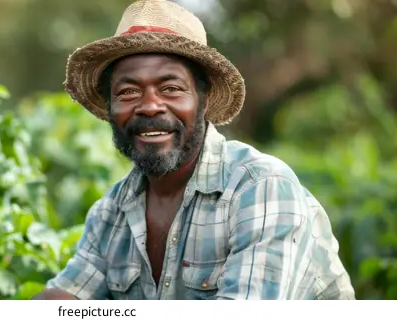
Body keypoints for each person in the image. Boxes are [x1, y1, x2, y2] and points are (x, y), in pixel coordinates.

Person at [33, 0, 355, 300]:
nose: (149, 106)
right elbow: (66, 298)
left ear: (203, 99)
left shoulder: (259, 188)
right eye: (128, 91)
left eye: (171, 88)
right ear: (110, 107)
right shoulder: (110, 213)